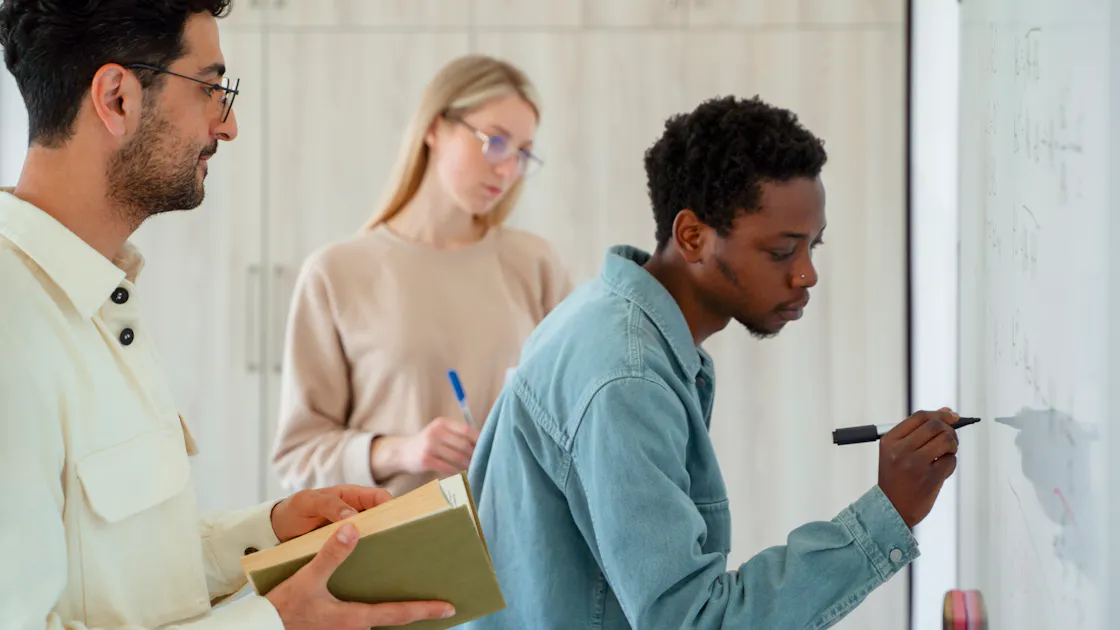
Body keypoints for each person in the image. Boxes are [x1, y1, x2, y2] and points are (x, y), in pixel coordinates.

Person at [0, 2, 455, 628]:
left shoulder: (101, 293)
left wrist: (269, 531)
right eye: (212, 89)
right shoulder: (12, 320)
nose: (230, 123)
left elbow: (120, 564)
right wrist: (274, 622)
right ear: (118, 97)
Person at [463, 95, 962, 629]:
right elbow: (693, 622)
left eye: (813, 248)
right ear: (693, 236)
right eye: (781, 252)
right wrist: (889, 512)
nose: (806, 275)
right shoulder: (627, 378)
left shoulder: (605, 314)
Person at [270, 54, 572, 498]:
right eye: (495, 141)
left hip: (515, 550)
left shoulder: (536, 265)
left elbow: (576, 419)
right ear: (434, 127)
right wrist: (400, 451)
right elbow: (298, 458)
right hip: (393, 552)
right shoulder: (337, 274)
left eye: (523, 153)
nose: (507, 169)